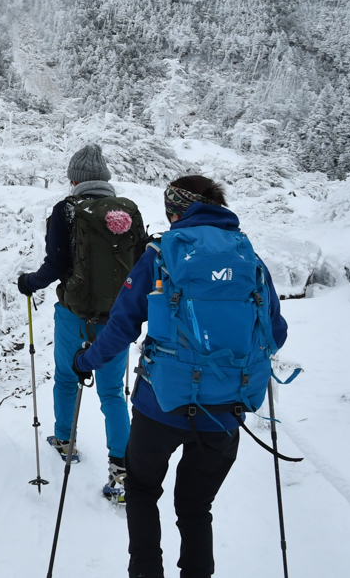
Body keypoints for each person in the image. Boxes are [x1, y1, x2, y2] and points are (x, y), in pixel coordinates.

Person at [73, 174, 289, 578]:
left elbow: (121, 327)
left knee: (140, 490)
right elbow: (275, 332)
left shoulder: (160, 253)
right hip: (226, 412)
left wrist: (86, 362)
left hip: (160, 407)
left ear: (177, 209)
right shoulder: (248, 257)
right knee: (195, 508)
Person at [16, 143, 147, 504]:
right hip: (117, 322)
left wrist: (29, 283)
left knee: (65, 379)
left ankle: (64, 440)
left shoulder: (67, 211)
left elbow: (54, 266)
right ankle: (121, 471)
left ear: (76, 179)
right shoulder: (129, 212)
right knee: (111, 394)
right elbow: (141, 269)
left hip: (74, 315)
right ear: (104, 178)